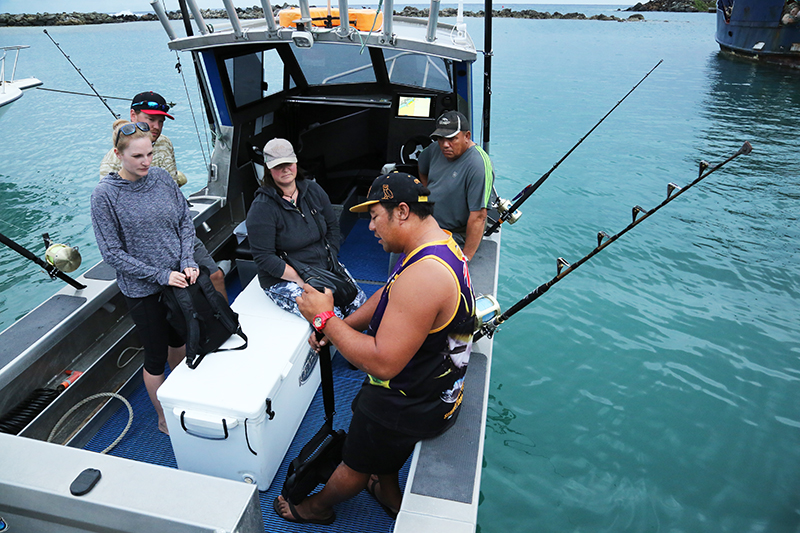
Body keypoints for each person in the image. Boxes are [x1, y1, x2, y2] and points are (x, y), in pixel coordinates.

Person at [274, 172, 477, 525]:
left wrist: (324, 320)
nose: (369, 227)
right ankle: (388, 492)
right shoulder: (438, 243)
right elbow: (390, 292)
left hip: (412, 404)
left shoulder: (425, 276)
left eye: (374, 216)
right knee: (379, 442)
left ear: (401, 212)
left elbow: (383, 364)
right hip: (434, 386)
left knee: (356, 461)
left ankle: (316, 508)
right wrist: (344, 326)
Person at [91, 119, 199, 435]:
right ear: (118, 154)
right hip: (143, 290)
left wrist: (187, 260)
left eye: (149, 154)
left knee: (179, 339)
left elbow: (184, 221)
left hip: (178, 279)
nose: (146, 162)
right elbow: (111, 253)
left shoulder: (163, 178)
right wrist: (160, 275)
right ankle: (163, 416)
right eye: (137, 156)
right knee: (154, 356)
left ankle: (182, 394)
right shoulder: (105, 195)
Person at [99, 91, 227, 299]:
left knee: (216, 276)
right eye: (150, 119)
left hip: (180, 234)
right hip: (151, 248)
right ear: (133, 115)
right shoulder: (110, 166)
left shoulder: (165, 143)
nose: (156, 127)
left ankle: (227, 323)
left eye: (161, 121)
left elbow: (174, 190)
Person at [246, 138, 366, 318]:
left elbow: (333, 227)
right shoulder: (261, 208)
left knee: (360, 305)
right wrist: (302, 280)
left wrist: (331, 259)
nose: (285, 169)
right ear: (268, 169)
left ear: (295, 162)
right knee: (333, 316)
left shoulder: (314, 190)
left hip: (322, 266)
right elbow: (264, 258)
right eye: (278, 165)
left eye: (288, 163)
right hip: (286, 277)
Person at [417, 110, 495, 261]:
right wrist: (426, 194)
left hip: (456, 233)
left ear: (467, 136)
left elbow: (479, 216)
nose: (445, 144)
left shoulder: (478, 164)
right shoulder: (434, 149)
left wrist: (465, 257)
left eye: (452, 138)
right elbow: (422, 165)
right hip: (429, 221)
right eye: (440, 138)